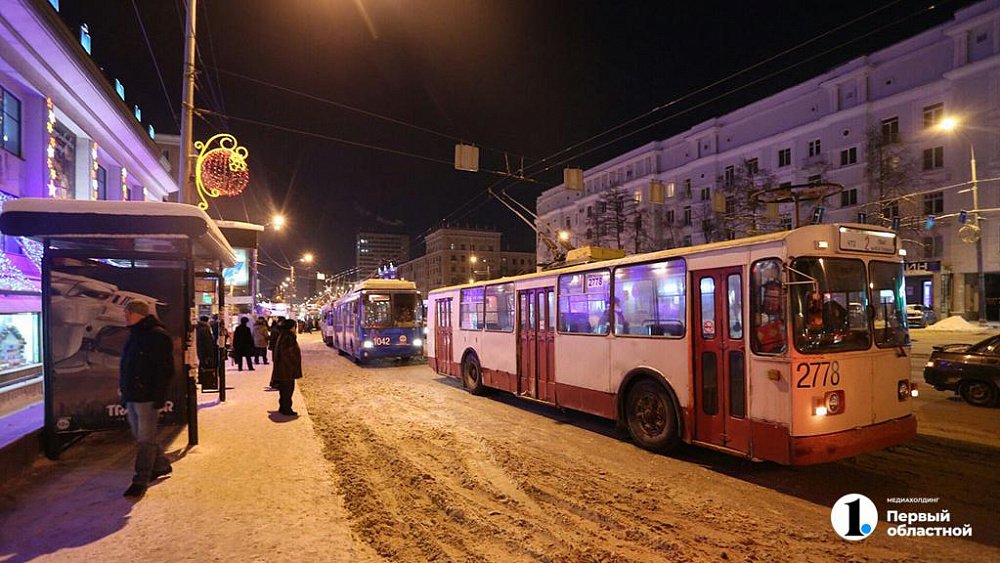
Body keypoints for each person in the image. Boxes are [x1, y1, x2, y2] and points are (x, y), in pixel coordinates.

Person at [119, 300, 174, 498]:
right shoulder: (135, 334)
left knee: (145, 439)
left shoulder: (157, 336)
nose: (124, 316)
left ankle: (140, 479)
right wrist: (124, 391)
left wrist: (159, 396)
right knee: (142, 436)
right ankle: (161, 465)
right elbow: (127, 366)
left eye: (127, 312)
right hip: (133, 394)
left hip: (147, 396)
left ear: (137, 314)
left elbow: (165, 370)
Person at [272, 318, 302, 416]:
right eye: (294, 326)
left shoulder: (283, 334)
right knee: (288, 390)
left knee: (284, 390)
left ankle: (283, 407)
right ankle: (286, 409)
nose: (295, 328)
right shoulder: (288, 337)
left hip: (283, 368)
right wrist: (293, 363)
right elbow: (288, 353)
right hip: (287, 369)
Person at [196, 315, 218, 388]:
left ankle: (201, 378)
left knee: (202, 363)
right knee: (205, 363)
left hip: (200, 349)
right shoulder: (205, 328)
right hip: (205, 350)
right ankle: (205, 380)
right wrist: (210, 351)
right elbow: (207, 342)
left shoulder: (198, 327)